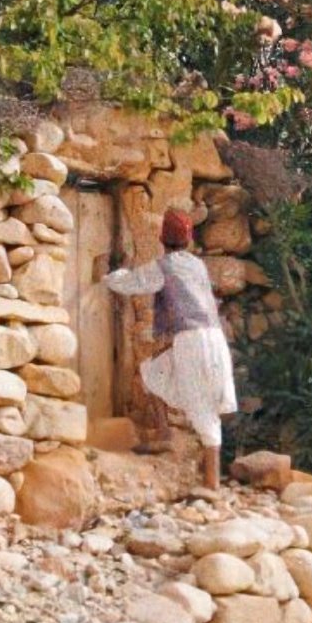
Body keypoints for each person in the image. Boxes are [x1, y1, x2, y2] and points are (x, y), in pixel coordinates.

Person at [102, 209, 236, 490]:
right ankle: (164, 434)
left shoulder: (164, 267)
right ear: (188, 240)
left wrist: (106, 276)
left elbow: (132, 283)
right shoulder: (197, 265)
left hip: (191, 341)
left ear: (163, 239)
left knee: (202, 406)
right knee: (153, 370)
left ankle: (212, 485)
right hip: (214, 338)